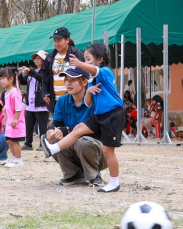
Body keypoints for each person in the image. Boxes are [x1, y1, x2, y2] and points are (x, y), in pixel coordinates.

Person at [41, 42, 125, 193]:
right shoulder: (91, 80)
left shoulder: (105, 72)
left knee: (108, 151)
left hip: (113, 114)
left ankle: (114, 182)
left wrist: (79, 63)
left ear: (100, 59)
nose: (86, 62)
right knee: (79, 129)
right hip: (100, 115)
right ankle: (53, 149)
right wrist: (89, 91)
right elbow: (88, 103)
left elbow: (93, 69)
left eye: (88, 59)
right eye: (85, 59)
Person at [46, 66, 108, 186]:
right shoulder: (62, 101)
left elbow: (98, 131)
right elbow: (57, 126)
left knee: (83, 142)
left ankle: (94, 175)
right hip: (76, 150)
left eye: (73, 80)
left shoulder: (96, 100)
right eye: (66, 80)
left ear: (85, 82)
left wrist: (66, 130)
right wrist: (51, 131)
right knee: (53, 139)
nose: (68, 83)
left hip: (99, 152)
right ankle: (73, 174)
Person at [36, 27, 84, 111]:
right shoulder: (50, 57)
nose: (56, 44)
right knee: (58, 123)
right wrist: (45, 93)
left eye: (59, 41)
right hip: (56, 100)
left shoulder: (77, 54)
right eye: (55, 41)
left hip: (72, 99)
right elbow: (45, 77)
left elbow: (84, 75)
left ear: (67, 40)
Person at [18, 50, 51, 149]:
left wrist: (30, 71)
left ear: (44, 60)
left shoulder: (46, 71)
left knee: (42, 126)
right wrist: (19, 74)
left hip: (41, 103)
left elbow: (42, 80)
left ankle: (43, 144)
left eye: (39, 58)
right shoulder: (33, 71)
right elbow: (24, 82)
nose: (36, 60)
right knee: (29, 124)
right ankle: (28, 144)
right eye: (35, 58)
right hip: (30, 104)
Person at [0, 67, 26, 167]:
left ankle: (18, 159)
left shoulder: (14, 92)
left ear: (11, 79)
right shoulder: (6, 93)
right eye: (0, 78)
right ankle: (14, 158)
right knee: (9, 140)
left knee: (14, 141)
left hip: (16, 122)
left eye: (3, 78)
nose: (1, 81)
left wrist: (15, 119)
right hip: (9, 122)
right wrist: (6, 122)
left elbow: (19, 108)